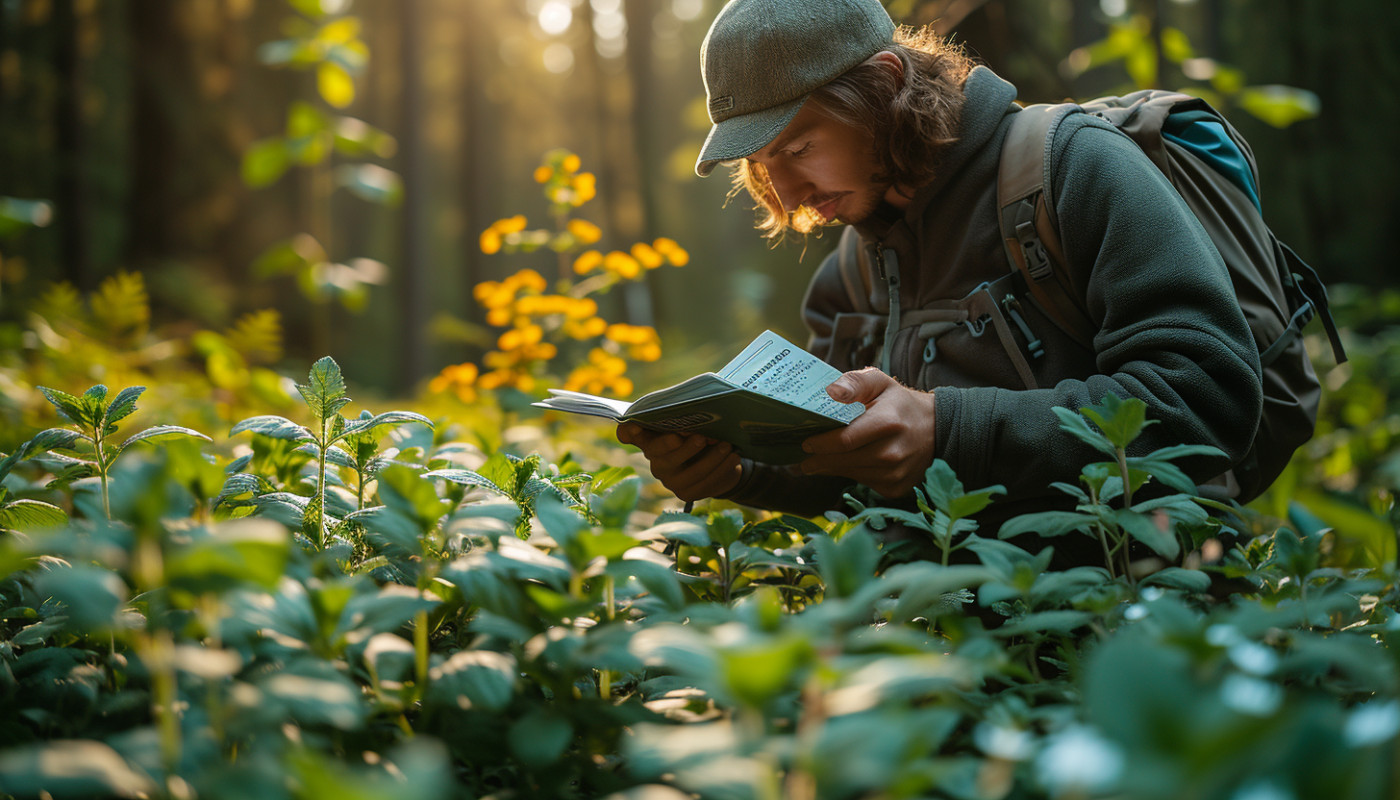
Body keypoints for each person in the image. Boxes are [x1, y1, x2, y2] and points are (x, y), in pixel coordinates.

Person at [616, 0, 1263, 539]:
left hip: (1132, 614)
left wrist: (950, 428)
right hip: (931, 642)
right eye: (760, 164)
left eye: (798, 147)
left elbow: (1208, 393)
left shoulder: (1075, 169)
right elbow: (853, 475)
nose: (783, 191)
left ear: (886, 82)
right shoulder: (849, 275)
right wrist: (735, 476)